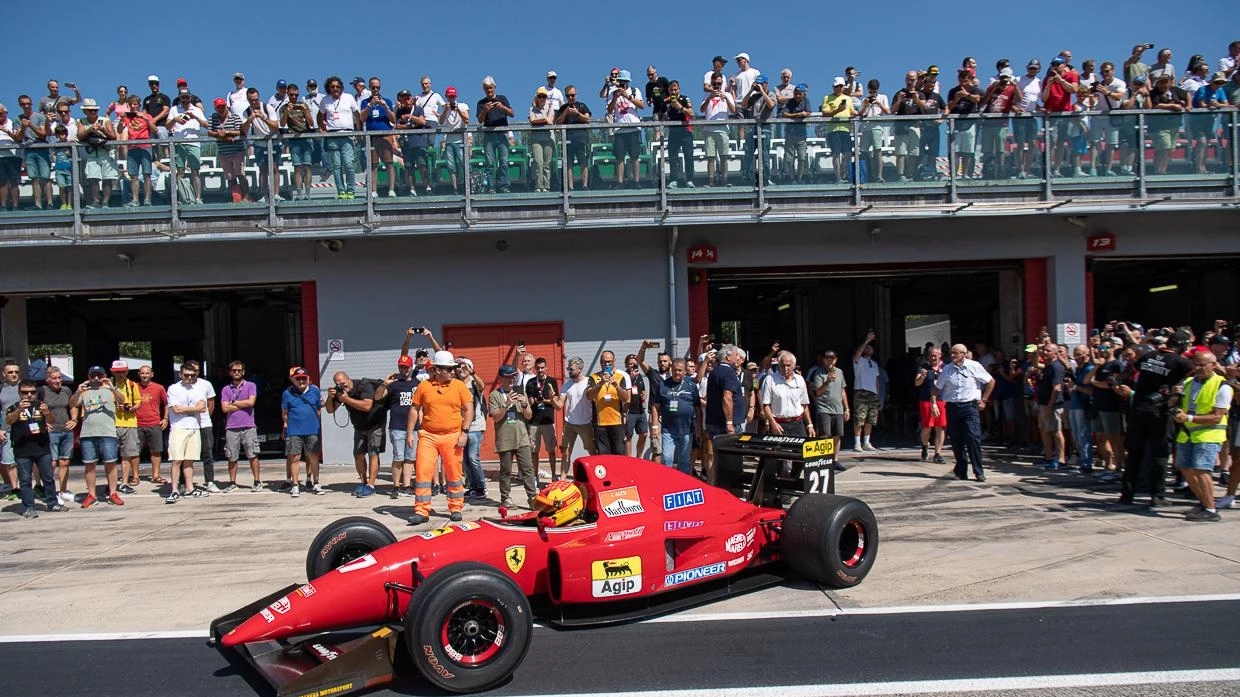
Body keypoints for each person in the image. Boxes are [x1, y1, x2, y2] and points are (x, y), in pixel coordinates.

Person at [407, 351, 473, 525]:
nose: (452, 372)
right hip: (428, 436)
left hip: (453, 435)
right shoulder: (424, 386)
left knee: (454, 473)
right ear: (436, 369)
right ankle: (421, 510)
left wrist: (464, 432)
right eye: (448, 369)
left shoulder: (459, 386)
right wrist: (409, 433)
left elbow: (468, 409)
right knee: (423, 473)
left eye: (453, 369)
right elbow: (414, 409)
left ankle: (456, 507)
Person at [1172, 351, 1230, 521]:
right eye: (1195, 364)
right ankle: (1204, 503)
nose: (1197, 368)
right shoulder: (1189, 382)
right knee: (1185, 468)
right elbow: (1182, 405)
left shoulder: (1222, 386)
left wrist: (1189, 418)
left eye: (1201, 365)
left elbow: (1217, 416)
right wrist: (1175, 398)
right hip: (1188, 433)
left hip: (1209, 434)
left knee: (1201, 470)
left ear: (1213, 365)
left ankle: (1211, 510)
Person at [932, 344, 995, 481]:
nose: (953, 356)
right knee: (956, 440)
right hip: (953, 407)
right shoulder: (947, 369)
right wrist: (934, 404)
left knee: (973, 438)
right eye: (952, 353)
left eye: (956, 353)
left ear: (964, 353)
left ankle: (979, 471)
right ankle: (961, 471)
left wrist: (984, 400)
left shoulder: (974, 366)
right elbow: (936, 388)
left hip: (970, 407)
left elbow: (990, 381)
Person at [4, 380, 64, 517]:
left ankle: (52, 503)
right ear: (19, 393)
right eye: (25, 393)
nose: (29, 395)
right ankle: (28, 507)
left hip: (42, 447)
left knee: (48, 477)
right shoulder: (14, 406)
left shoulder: (41, 405)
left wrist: (47, 413)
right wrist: (19, 410)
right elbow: (9, 421)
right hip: (22, 449)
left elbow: (51, 421)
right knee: (25, 480)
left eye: (32, 392)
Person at [72, 365, 127, 507]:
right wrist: (78, 391)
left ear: (104, 376)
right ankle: (91, 494)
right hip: (88, 433)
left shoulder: (110, 390)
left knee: (111, 463)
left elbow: (122, 400)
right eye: (93, 376)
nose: (96, 378)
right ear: (89, 377)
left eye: (99, 375)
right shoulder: (85, 392)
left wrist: (111, 387)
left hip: (107, 432)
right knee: (89, 465)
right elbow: (72, 404)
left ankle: (113, 493)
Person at [326, 371, 384, 497]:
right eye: (338, 384)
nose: (342, 386)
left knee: (373, 453)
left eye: (343, 383)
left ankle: (371, 485)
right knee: (358, 454)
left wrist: (347, 399)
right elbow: (330, 410)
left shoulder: (363, 385)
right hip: (359, 426)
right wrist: (330, 397)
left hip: (375, 424)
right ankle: (363, 482)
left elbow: (367, 405)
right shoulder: (340, 392)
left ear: (349, 379)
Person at [490, 365, 538, 509]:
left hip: (522, 438)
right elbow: (496, 418)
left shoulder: (520, 393)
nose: (511, 379)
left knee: (527, 469)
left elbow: (529, 416)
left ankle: (532, 498)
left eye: (513, 377)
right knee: (506, 471)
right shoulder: (495, 395)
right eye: (508, 377)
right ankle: (505, 498)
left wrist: (524, 404)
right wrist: (506, 404)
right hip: (505, 439)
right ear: (501, 378)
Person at [374, 355, 418, 499]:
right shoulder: (393, 384)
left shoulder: (417, 383)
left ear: (411, 367)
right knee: (398, 457)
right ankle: (395, 486)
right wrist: (384, 384)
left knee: (410, 458)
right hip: (397, 426)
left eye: (406, 367)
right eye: (401, 367)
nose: (404, 370)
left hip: (414, 427)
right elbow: (378, 397)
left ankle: (406, 485)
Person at [164, 361, 206, 503]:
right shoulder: (173, 389)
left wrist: (186, 409)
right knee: (177, 460)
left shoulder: (198, 389)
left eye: (193, 376)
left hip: (194, 427)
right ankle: (174, 490)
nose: (190, 379)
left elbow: (202, 407)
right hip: (178, 428)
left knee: (189, 460)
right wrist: (193, 409)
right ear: (181, 375)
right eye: (187, 376)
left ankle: (190, 489)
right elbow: (176, 409)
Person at [650, 358, 698, 474]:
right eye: (675, 370)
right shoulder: (663, 385)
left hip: (687, 429)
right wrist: (655, 427)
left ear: (685, 371)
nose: (677, 373)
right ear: (671, 370)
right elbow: (655, 407)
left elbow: (697, 408)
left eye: (680, 370)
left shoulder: (691, 385)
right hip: (668, 430)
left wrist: (699, 427)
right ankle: (668, 484)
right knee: (667, 459)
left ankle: (685, 486)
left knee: (684, 461)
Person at [281, 366, 323, 497]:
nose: (301, 381)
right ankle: (295, 485)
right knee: (295, 457)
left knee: (314, 457)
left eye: (303, 378)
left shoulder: (315, 391)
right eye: (298, 379)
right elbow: (284, 413)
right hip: (294, 431)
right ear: (293, 379)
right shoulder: (287, 393)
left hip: (312, 430)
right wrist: (288, 426)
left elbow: (319, 408)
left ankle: (316, 483)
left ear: (308, 378)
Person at [317, 76, 360, 200]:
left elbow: (357, 114)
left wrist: (358, 131)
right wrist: (321, 128)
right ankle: (341, 191)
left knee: (349, 164)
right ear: (328, 88)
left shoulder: (349, 97)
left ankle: (351, 190)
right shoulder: (325, 100)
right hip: (332, 135)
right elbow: (320, 115)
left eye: (338, 86)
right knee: (336, 166)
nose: (335, 89)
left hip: (347, 134)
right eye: (332, 87)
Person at [221, 361, 260, 493]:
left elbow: (251, 402)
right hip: (231, 427)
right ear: (230, 372)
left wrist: (234, 403)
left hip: (248, 425)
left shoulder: (251, 385)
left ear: (243, 372)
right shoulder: (226, 389)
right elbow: (224, 408)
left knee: (252, 454)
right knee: (232, 456)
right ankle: (232, 482)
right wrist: (242, 404)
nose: (236, 372)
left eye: (239, 370)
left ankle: (257, 481)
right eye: (234, 370)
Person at [761, 351, 815, 442]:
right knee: (779, 454)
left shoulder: (800, 379)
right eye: (782, 365)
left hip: (797, 423)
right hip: (779, 423)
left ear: (794, 365)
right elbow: (766, 405)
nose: (785, 368)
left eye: (788, 365)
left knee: (801, 453)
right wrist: (772, 423)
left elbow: (804, 404)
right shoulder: (770, 380)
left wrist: (810, 424)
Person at [40, 368, 76, 505]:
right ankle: (49, 491)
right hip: (51, 431)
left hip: (66, 430)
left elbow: (73, 405)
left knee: (65, 461)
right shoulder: (42, 391)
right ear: (47, 379)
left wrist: (74, 419)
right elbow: (36, 408)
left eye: (59, 378)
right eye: (54, 378)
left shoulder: (66, 390)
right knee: (52, 463)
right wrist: (42, 423)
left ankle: (63, 490)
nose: (57, 381)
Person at [167, 88, 208, 204]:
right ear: (179, 98)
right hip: (178, 143)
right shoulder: (174, 109)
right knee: (179, 171)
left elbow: (206, 125)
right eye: (182, 97)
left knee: (195, 171)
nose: (184, 100)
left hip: (194, 143)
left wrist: (195, 116)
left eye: (187, 97)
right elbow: (167, 126)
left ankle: (198, 198)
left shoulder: (196, 109)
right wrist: (175, 119)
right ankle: (180, 198)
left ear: (190, 97)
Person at [586, 351, 631, 455]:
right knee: (603, 454)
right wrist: (600, 384)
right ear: (600, 362)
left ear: (614, 362)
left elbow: (625, 398)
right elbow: (589, 396)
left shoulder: (620, 377)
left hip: (617, 422)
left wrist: (616, 385)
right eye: (604, 362)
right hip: (600, 424)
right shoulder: (594, 377)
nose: (607, 364)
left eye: (609, 362)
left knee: (619, 452)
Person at [77, 99, 119, 208]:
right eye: (90, 110)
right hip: (92, 154)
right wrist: (90, 130)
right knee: (93, 178)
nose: (93, 112)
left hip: (105, 152)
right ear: (85, 111)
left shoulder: (105, 120)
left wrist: (103, 130)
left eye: (94, 110)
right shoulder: (82, 121)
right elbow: (80, 136)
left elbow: (113, 137)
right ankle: (95, 201)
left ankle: (105, 202)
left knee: (107, 178)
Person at [607, 70, 645, 189]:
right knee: (619, 157)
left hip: (633, 127)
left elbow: (642, 106)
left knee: (634, 156)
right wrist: (616, 97)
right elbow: (609, 110)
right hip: (620, 128)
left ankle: (636, 181)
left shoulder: (635, 91)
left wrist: (627, 96)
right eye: (621, 81)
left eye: (625, 81)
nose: (623, 83)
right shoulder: (612, 92)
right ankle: (620, 182)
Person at [524, 357, 559, 481]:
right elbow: (527, 401)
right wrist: (531, 401)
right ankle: (534, 476)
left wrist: (544, 400)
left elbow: (556, 401)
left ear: (546, 368)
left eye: (542, 368)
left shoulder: (552, 381)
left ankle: (554, 474)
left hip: (548, 421)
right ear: (535, 369)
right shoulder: (530, 382)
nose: (540, 370)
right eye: (538, 368)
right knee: (534, 451)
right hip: (534, 422)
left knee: (551, 450)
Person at [477, 77, 514, 194]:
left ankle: (504, 186)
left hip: (502, 134)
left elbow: (512, 113)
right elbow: (479, 120)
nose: (489, 90)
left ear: (494, 88)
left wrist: (501, 107)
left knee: (503, 161)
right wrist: (485, 110)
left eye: (491, 88)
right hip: (489, 135)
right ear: (484, 89)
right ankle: (491, 187)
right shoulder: (481, 103)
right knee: (490, 163)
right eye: (486, 88)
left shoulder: (502, 99)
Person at [109, 360, 141, 494]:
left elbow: (138, 401)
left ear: (127, 371)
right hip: (112, 422)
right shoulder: (108, 385)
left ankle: (124, 482)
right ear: (112, 372)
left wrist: (132, 407)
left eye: (122, 371)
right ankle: (111, 484)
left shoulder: (132, 384)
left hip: (129, 422)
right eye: (117, 372)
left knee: (127, 455)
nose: (120, 374)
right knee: (110, 456)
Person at [280, 84, 316, 201]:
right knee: (297, 168)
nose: (294, 97)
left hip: (306, 138)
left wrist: (305, 112)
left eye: (296, 95)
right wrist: (287, 111)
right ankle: (299, 194)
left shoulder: (303, 105)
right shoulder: (284, 107)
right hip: (294, 140)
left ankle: (308, 194)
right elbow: (282, 123)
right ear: (287, 94)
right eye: (292, 95)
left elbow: (311, 123)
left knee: (307, 167)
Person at [1035, 343, 1068, 469]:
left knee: (1056, 431)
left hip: (1053, 404)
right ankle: (1048, 457)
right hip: (1043, 403)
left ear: (1055, 353)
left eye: (1048, 351)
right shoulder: (1048, 366)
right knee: (1044, 430)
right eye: (1044, 350)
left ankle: (1061, 459)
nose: (1045, 352)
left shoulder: (1056, 367)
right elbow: (1035, 364)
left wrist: (1050, 406)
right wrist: (1037, 352)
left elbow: (1057, 388)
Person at [700, 73, 736, 187]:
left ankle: (724, 180)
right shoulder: (706, 96)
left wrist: (725, 98)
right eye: (715, 83)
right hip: (709, 130)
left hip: (723, 129)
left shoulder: (728, 95)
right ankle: (711, 181)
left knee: (724, 156)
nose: (717, 86)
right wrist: (710, 97)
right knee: (711, 157)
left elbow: (733, 110)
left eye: (719, 83)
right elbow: (702, 109)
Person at [134, 365, 167, 486]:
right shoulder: (133, 387)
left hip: (154, 423)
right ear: (139, 374)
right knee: (135, 451)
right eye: (142, 373)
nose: (144, 375)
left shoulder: (159, 388)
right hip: (137, 423)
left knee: (156, 451)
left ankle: (156, 475)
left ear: (152, 374)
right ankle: (135, 477)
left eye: (147, 373)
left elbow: (166, 404)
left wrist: (165, 418)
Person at [556, 357, 595, 458]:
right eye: (568, 369)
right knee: (566, 452)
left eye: (571, 369)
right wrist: (552, 399)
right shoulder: (567, 384)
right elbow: (560, 405)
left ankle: (595, 472)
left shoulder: (589, 382)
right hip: (570, 423)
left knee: (592, 450)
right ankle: (563, 474)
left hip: (586, 423)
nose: (569, 371)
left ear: (580, 369)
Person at [554, 87, 591, 191]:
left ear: (576, 94)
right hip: (568, 139)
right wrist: (566, 112)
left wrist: (577, 114)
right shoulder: (563, 108)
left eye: (572, 95)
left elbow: (588, 119)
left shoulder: (582, 106)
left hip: (581, 139)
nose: (570, 97)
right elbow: (557, 123)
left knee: (583, 162)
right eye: (568, 95)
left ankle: (584, 185)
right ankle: (570, 187)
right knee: (568, 164)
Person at [914, 347, 947, 463]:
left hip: (942, 400)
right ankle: (924, 446)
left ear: (940, 356)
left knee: (941, 427)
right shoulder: (923, 367)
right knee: (927, 427)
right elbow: (916, 383)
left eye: (935, 355)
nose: (933, 357)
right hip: (926, 401)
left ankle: (938, 453)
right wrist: (922, 377)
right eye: (931, 355)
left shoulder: (946, 367)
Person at [809, 350, 850, 443]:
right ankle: (825, 457)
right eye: (827, 359)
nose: (830, 361)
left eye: (832, 359)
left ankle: (835, 458)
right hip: (824, 408)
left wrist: (846, 408)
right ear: (824, 360)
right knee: (824, 435)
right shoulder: (818, 373)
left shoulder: (839, 372)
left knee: (837, 435)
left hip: (838, 409)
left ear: (836, 360)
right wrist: (827, 381)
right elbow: (818, 392)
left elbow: (842, 390)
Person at [852, 331, 882, 451]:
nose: (869, 349)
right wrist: (866, 341)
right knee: (859, 418)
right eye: (867, 347)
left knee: (871, 418)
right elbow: (857, 354)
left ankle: (866, 442)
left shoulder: (874, 364)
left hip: (873, 393)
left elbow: (876, 380)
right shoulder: (859, 361)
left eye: (871, 348)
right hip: (861, 391)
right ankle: (857, 443)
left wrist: (878, 394)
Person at [438, 87, 469, 194]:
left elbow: (467, 119)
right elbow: (441, 122)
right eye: (449, 97)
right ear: (446, 97)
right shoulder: (445, 109)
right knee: (451, 166)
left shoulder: (463, 106)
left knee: (462, 163)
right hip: (449, 141)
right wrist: (446, 110)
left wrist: (458, 110)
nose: (451, 99)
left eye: (453, 96)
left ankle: (464, 185)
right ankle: (455, 188)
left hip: (461, 140)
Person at [664, 81, 695, 189]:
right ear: (668, 90)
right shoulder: (666, 101)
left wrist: (680, 107)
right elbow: (661, 116)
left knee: (689, 157)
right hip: (673, 132)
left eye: (675, 89)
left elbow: (692, 114)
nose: (673, 91)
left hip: (686, 131)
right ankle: (673, 180)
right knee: (673, 158)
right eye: (671, 90)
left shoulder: (684, 99)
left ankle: (690, 180)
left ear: (679, 89)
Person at [528, 88, 555, 192]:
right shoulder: (532, 109)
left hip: (548, 139)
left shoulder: (550, 108)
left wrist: (539, 121)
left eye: (544, 96)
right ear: (537, 97)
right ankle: (538, 186)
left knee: (546, 164)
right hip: (536, 139)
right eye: (540, 96)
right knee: (538, 163)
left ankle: (546, 186)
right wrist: (544, 120)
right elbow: (532, 121)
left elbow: (550, 121)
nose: (542, 98)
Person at [624, 355, 650, 458]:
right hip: (629, 411)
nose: (633, 366)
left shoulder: (639, 376)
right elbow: (622, 389)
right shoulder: (624, 376)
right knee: (628, 436)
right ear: (626, 364)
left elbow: (641, 389)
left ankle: (639, 457)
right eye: (631, 364)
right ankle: (628, 459)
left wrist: (644, 393)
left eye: (635, 364)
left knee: (644, 434)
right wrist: (630, 378)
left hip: (640, 410)